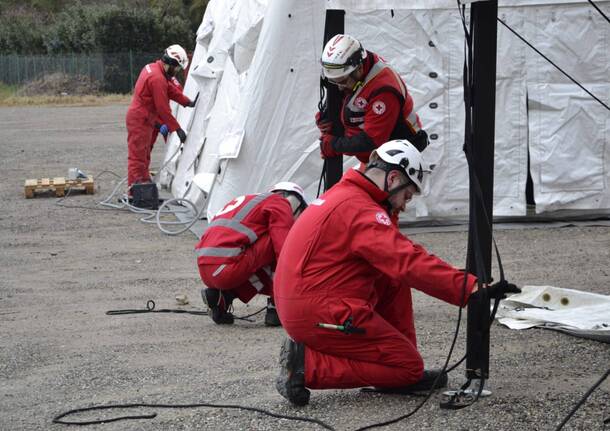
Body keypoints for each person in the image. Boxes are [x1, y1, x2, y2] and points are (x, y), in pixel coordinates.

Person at [273, 140, 518, 406]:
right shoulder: (359, 209)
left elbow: (399, 261)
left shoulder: (346, 196)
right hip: (317, 310)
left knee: (392, 279)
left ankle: (398, 365)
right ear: (392, 178)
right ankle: (307, 366)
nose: (404, 205)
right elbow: (405, 258)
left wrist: (455, 277)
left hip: (307, 302)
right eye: (407, 195)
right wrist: (467, 288)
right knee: (408, 367)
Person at [195, 182, 308, 327]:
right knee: (282, 241)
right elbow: (283, 249)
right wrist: (296, 280)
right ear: (296, 202)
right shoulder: (280, 203)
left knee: (261, 256)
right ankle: (276, 307)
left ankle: (223, 298)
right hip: (226, 269)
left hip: (206, 269)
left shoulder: (251, 200)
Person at [317, 34, 429, 164]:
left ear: (358, 69)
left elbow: (371, 140)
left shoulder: (384, 92)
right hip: (376, 156)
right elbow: (349, 97)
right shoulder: (361, 62)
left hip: (399, 157)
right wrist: (327, 113)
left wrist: (334, 145)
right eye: (334, 82)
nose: (340, 88)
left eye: (343, 81)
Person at [125, 44, 197, 189]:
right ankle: (135, 192)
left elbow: (170, 89)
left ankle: (144, 184)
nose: (176, 72)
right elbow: (163, 109)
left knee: (144, 154)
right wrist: (177, 129)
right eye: (177, 68)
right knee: (138, 157)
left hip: (142, 118)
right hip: (141, 120)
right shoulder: (157, 78)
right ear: (171, 62)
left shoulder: (154, 68)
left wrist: (187, 102)